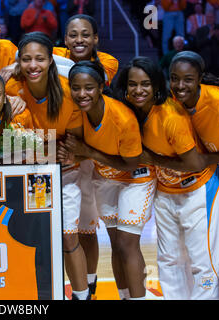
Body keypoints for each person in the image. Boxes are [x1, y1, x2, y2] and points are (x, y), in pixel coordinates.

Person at [113, 55, 219, 299]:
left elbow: (194, 163)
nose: (138, 90)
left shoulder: (171, 116)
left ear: (156, 86)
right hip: (166, 190)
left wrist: (154, 160)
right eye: (133, 84)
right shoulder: (128, 112)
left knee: (203, 261)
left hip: (199, 189)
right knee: (169, 260)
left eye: (145, 84)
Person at [59, 60, 157, 300]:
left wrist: (88, 153)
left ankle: (138, 298)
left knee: (127, 243)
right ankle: (124, 295)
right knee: (116, 243)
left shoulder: (122, 117)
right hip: (105, 177)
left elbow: (131, 163)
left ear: (101, 87)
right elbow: (77, 149)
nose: (82, 94)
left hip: (135, 177)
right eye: (76, 88)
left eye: (89, 88)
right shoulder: (73, 112)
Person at [5, 32, 89, 300]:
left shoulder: (67, 93)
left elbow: (75, 140)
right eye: (26, 59)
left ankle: (82, 295)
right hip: (31, 174)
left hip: (65, 173)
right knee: (36, 240)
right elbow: (5, 140)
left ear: (51, 61)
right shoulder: (9, 89)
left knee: (68, 237)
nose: (33, 66)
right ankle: (44, 295)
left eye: (40, 59)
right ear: (19, 62)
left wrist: (71, 153)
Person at [53, 13, 120, 296]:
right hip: (63, 151)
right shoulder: (53, 53)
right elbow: (29, 55)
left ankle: (90, 285)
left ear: (95, 39)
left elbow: (88, 77)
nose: (79, 40)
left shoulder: (107, 61)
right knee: (67, 229)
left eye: (85, 35)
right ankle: (72, 284)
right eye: (73, 35)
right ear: (65, 39)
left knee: (87, 228)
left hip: (93, 153)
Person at [168, 50, 219, 267]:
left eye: (188, 80)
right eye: (175, 79)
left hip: (217, 165)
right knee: (218, 237)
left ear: (200, 79)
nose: (180, 85)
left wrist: (207, 159)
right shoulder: (173, 100)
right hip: (217, 173)